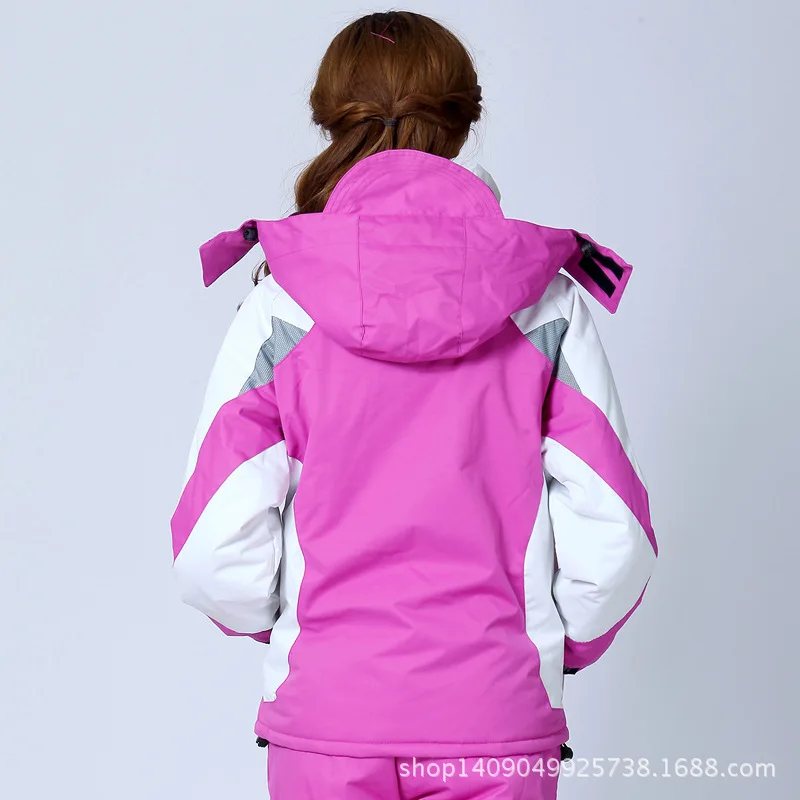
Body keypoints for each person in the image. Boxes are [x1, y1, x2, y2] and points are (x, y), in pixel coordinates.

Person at [170, 10, 657, 800]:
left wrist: (305, 633)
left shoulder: (280, 304)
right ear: (463, 120)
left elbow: (210, 550)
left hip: (328, 717)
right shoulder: (548, 303)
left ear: (332, 119)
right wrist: (537, 652)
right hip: (496, 717)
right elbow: (616, 538)